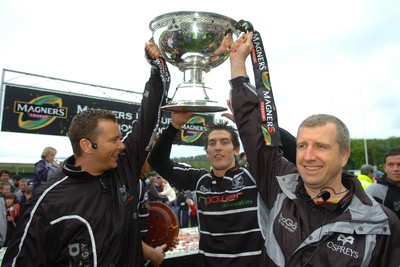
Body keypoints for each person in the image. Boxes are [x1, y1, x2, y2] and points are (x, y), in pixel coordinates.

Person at [228, 30, 400, 266]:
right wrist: (238, 63)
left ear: (344, 155)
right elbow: (251, 127)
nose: (308, 156)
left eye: (321, 147)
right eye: (302, 146)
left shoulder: (383, 225)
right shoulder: (280, 183)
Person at [2, 40, 167, 266]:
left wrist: (157, 71)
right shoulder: (48, 201)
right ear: (87, 146)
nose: (122, 146)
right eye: (114, 140)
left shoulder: (124, 169)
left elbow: (147, 118)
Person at [148, 117, 266, 267]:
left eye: (224, 142)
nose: (217, 147)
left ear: (236, 149)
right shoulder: (198, 180)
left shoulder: (255, 176)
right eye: (212, 143)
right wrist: (174, 125)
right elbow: (157, 161)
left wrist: (248, 124)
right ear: (207, 152)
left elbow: (289, 152)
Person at [366, 147, 400, 219]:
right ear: (385, 167)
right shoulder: (374, 191)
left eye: (399, 164)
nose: (396, 169)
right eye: (391, 165)